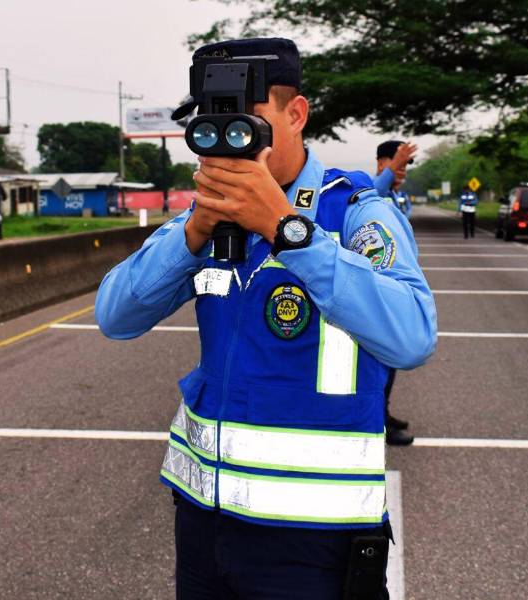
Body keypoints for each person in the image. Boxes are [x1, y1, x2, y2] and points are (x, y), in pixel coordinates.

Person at [95, 38, 437, 599]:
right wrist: (194, 232)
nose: (229, 146)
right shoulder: (203, 219)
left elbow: (413, 336)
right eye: (212, 127)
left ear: (295, 114)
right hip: (204, 523)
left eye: (246, 125)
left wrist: (288, 230)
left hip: (317, 539)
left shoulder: (354, 212)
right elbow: (115, 315)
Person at [371, 140, 419, 446]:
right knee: (378, 362)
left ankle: (383, 414)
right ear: (381, 164)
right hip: (374, 289)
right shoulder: (367, 191)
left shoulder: (397, 197)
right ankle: (377, 421)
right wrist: (392, 169)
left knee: (388, 362)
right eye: (397, 165)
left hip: (393, 288)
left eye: (404, 168)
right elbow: (375, 188)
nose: (401, 172)